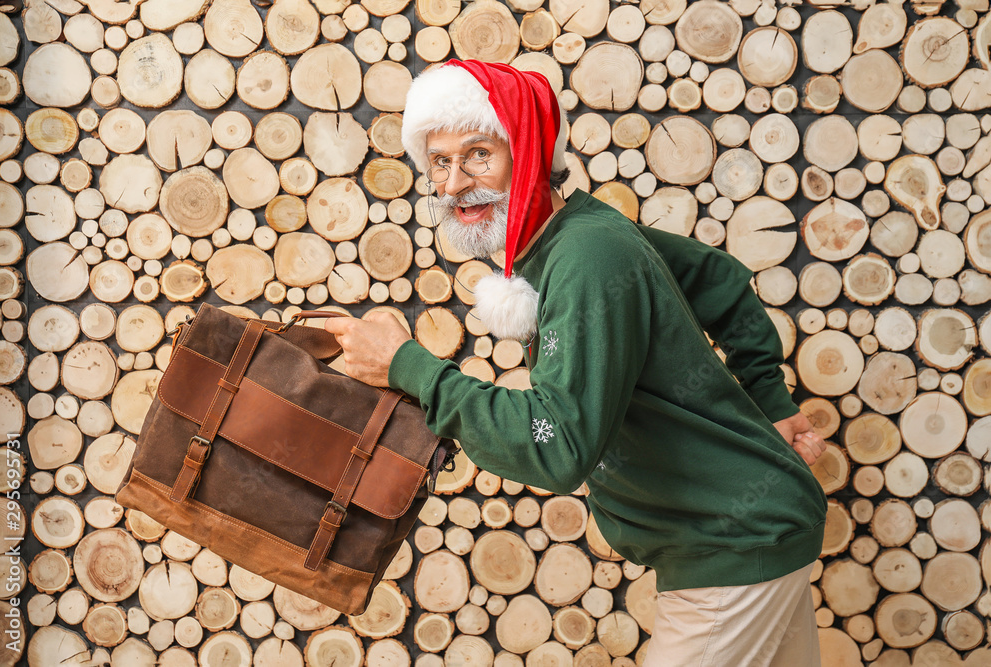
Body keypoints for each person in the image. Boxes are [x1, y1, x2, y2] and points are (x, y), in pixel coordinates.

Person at [322, 60, 829, 666]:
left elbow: (558, 446)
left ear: (529, 154)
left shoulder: (587, 256)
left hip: (730, 549)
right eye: (439, 161)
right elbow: (718, 279)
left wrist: (410, 367)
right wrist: (772, 404)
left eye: (479, 154)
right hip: (745, 536)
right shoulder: (578, 235)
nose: (455, 183)